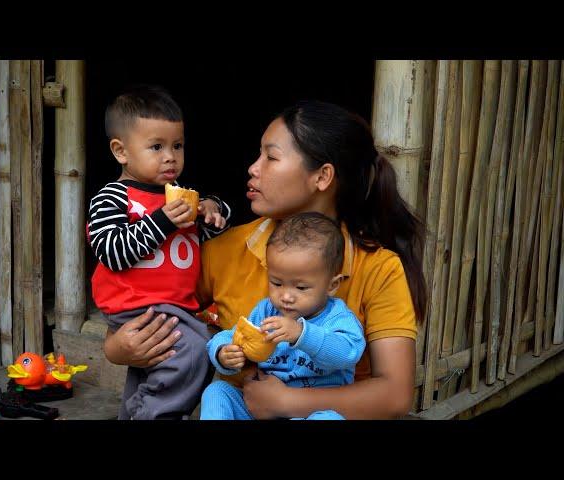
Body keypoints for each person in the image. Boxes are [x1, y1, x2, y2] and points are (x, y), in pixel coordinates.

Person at [104, 99, 426, 419]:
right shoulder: (224, 250)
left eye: (271, 157)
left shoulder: (378, 268)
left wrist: (289, 403)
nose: (253, 168)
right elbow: (149, 310)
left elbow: (395, 395)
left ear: (322, 177)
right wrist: (116, 347)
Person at [87, 85, 231, 420]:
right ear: (121, 152)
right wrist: (163, 220)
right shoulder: (114, 197)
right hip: (135, 302)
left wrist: (212, 210)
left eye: (177, 146)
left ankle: (135, 413)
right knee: (193, 352)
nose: (170, 156)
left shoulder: (180, 198)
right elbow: (111, 251)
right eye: (157, 146)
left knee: (154, 366)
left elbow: (208, 233)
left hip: (173, 306)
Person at [200, 212, 365, 420]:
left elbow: (348, 353)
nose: (286, 296)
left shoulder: (338, 318)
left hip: (307, 412)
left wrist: (301, 334)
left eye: (301, 287)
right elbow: (234, 334)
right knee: (217, 392)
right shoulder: (267, 310)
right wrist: (223, 353)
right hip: (259, 409)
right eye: (276, 283)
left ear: (332, 285)